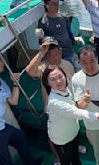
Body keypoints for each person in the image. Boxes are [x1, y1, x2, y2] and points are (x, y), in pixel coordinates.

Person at [42, 66, 99, 165]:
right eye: (53, 79)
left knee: (76, 159)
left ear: (65, 76)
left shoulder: (65, 90)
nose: (58, 81)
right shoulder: (54, 102)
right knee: (66, 162)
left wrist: (85, 100)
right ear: (47, 83)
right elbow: (77, 113)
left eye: (60, 76)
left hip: (72, 133)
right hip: (61, 138)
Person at [26, 36, 75, 164]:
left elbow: (74, 83)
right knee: (53, 135)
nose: (55, 57)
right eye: (50, 54)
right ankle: (57, 157)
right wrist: (41, 52)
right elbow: (30, 71)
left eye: (57, 53)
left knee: (71, 127)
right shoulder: (43, 68)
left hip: (70, 104)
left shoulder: (68, 64)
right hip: (53, 109)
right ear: (45, 55)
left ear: (60, 50)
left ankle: (72, 146)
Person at [36, 0, 81, 72]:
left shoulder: (63, 17)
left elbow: (69, 32)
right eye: (53, 3)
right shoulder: (43, 22)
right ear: (46, 5)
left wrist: (74, 39)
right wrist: (43, 38)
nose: (56, 5)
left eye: (57, 3)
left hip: (70, 52)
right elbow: (42, 43)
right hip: (58, 58)